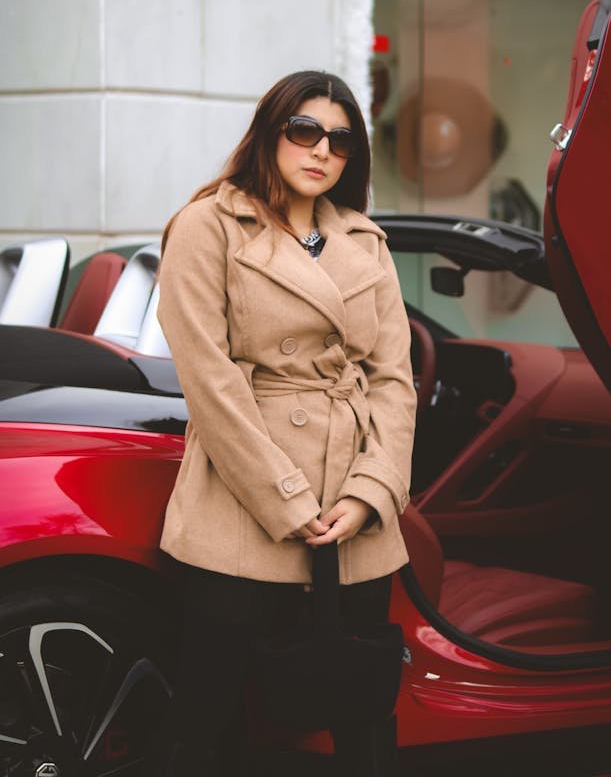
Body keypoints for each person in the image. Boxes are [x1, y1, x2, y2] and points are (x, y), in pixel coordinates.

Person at [154, 70, 417, 775]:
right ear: (269, 133)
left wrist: (371, 492)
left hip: (353, 508)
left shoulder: (363, 240)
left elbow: (394, 379)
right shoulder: (207, 225)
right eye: (304, 131)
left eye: (339, 139)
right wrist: (286, 497)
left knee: (362, 716)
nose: (321, 150)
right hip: (245, 502)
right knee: (209, 720)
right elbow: (207, 379)